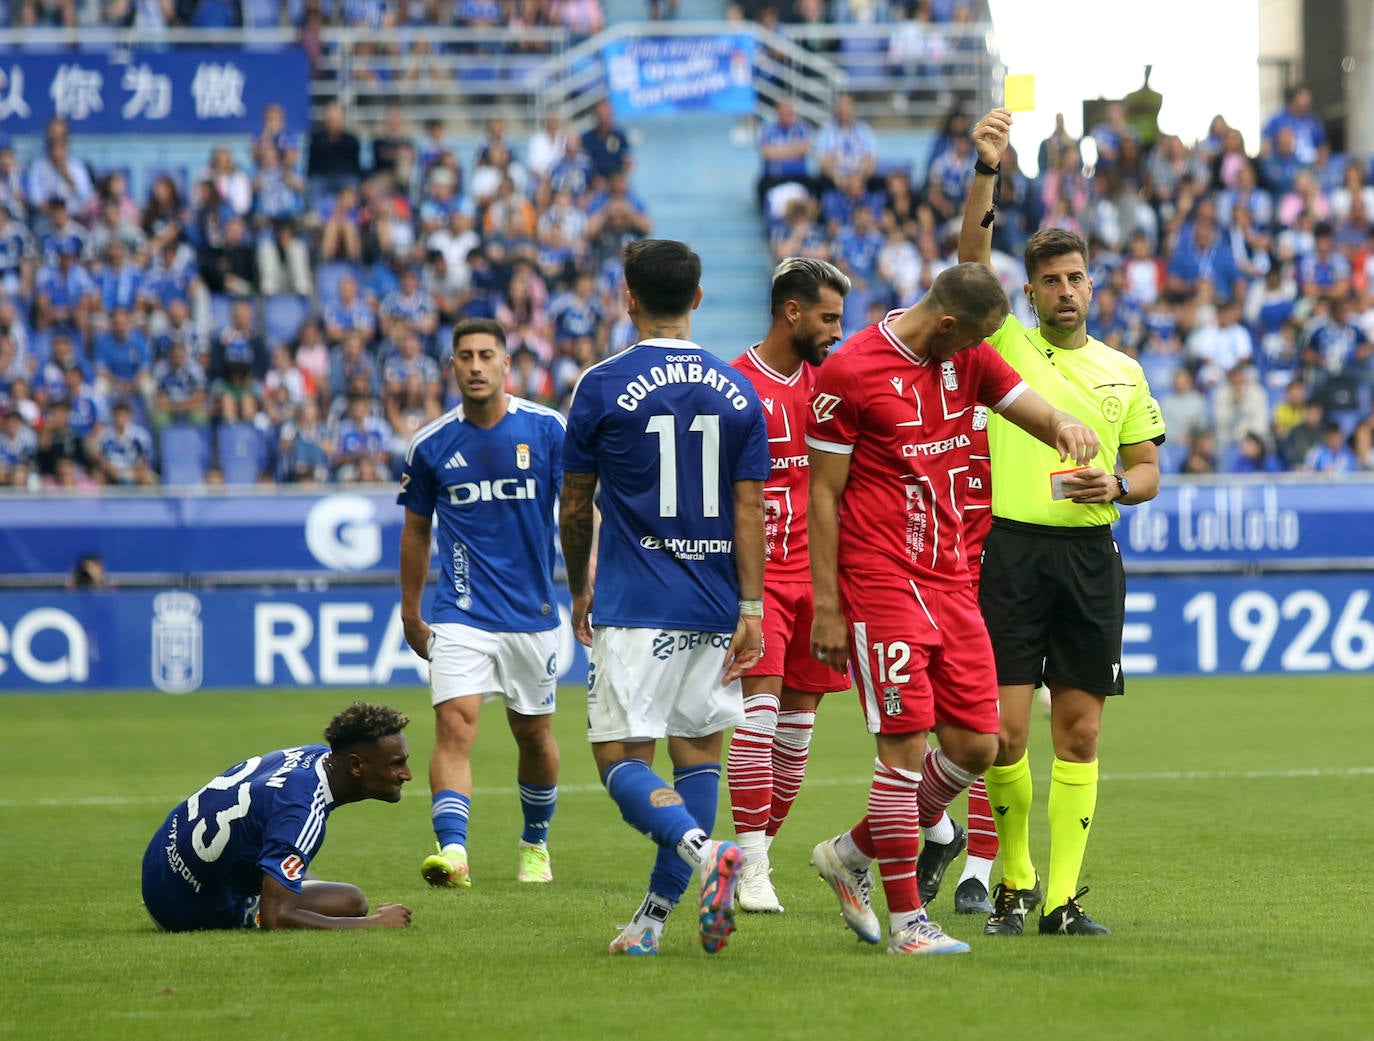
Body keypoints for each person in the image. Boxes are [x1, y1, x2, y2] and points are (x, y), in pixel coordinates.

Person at [806, 263, 1101, 956]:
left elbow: (1025, 401)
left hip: (952, 579)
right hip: (881, 581)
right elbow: (824, 493)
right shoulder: (851, 372)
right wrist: (828, 604)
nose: (980, 352)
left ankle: (851, 852)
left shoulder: (965, 352)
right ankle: (910, 922)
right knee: (904, 749)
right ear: (945, 325)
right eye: (973, 338)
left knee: (978, 743)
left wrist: (1063, 423)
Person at [959, 108, 1167, 936]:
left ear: (1091, 283)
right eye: (1051, 280)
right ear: (1034, 289)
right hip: (1010, 551)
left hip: (1088, 558)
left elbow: (1150, 470)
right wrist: (988, 169)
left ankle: (1059, 899)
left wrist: (1116, 484)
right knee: (1005, 730)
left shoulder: (1124, 370)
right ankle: (1012, 880)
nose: (1066, 291)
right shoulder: (1006, 342)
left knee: (1077, 729)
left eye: (1076, 278)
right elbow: (970, 260)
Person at [559, 239, 769, 956]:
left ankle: (703, 852)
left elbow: (575, 503)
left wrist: (576, 579)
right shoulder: (739, 388)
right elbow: (751, 510)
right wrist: (752, 607)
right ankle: (649, 923)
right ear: (699, 297)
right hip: (715, 604)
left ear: (627, 296)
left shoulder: (601, 383)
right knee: (698, 756)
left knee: (619, 759)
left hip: (635, 599)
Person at [398, 318, 566, 889]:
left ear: (505, 365)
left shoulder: (547, 431)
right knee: (454, 727)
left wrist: (588, 583)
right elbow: (416, 531)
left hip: (533, 615)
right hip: (460, 612)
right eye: (464, 356)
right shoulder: (431, 444)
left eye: (485, 355)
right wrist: (410, 609)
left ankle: (535, 843)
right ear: (452, 367)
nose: (474, 365)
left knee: (533, 735)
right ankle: (454, 852)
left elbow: (579, 510)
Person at [724, 258, 853, 915]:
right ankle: (750, 868)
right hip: (759, 580)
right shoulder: (735, 386)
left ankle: (753, 857)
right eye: (829, 317)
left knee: (798, 733)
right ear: (792, 312)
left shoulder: (830, 387)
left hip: (821, 581)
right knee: (759, 718)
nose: (838, 330)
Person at [141, 702, 414, 932]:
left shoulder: (311, 755)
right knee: (351, 901)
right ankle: (246, 910)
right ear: (355, 764)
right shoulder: (302, 812)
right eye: (396, 764)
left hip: (158, 863)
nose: (407, 774)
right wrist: (374, 923)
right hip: (182, 908)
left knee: (299, 875)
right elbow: (277, 918)